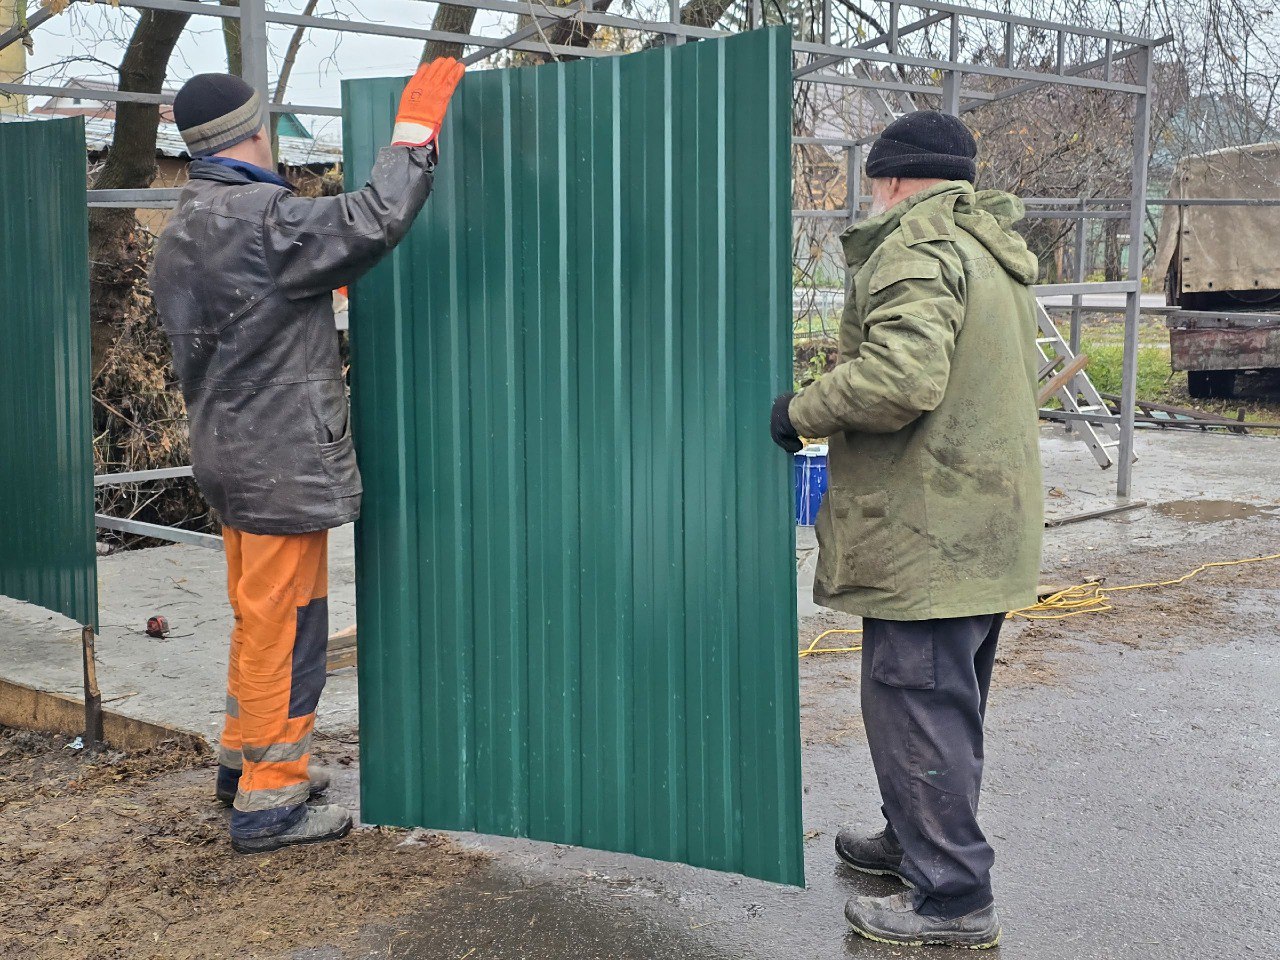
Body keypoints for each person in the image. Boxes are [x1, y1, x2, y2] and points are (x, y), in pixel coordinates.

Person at [151, 59, 464, 854]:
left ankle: (244, 763)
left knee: (265, 618)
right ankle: (270, 800)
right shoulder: (263, 218)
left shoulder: (183, 223)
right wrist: (414, 137)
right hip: (277, 459)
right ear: (254, 133)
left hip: (227, 452)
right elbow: (370, 220)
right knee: (284, 627)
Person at [770, 110, 1043, 948]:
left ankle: (953, 899)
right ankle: (913, 840)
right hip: (983, 525)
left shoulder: (915, 246)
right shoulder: (987, 249)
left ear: (891, 178)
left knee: (917, 704)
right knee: (941, 704)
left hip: (930, 534)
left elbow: (901, 378)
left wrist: (799, 411)